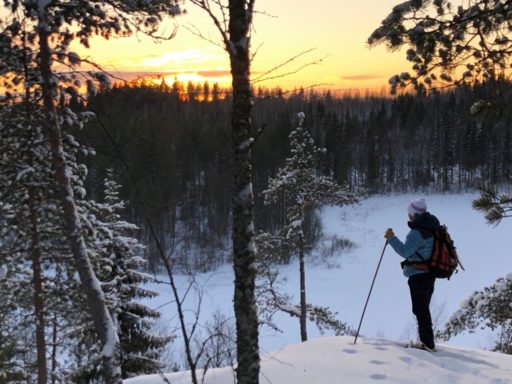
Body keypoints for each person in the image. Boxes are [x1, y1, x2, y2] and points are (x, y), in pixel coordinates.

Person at [384, 197, 440, 352]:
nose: (408, 215)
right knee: (423, 308)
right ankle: (426, 341)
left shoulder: (417, 233)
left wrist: (391, 239)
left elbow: (405, 251)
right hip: (430, 273)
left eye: (409, 212)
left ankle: (427, 344)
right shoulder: (432, 226)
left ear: (415, 214)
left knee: (420, 309)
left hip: (418, 275)